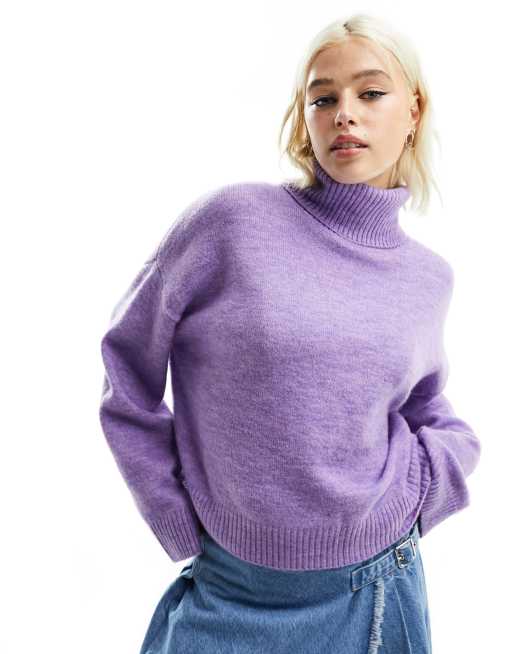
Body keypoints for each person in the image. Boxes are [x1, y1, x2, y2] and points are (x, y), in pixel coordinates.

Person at [98, 12, 481, 654]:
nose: (345, 114)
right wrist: (171, 513)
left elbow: (422, 403)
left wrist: (436, 479)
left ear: (413, 111)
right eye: (322, 98)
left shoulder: (427, 277)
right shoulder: (232, 223)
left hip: (377, 590)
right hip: (231, 589)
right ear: (304, 117)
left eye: (370, 92)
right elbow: (126, 366)